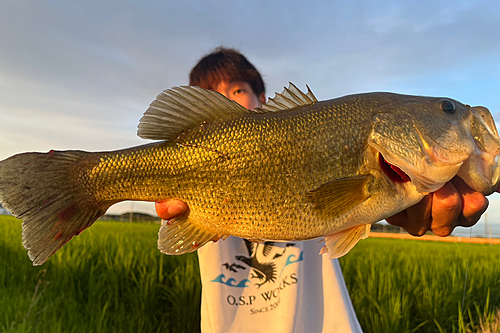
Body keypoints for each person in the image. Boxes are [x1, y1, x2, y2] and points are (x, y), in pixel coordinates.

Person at [156, 47, 491, 333]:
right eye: (212, 98)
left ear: (263, 98)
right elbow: (175, 220)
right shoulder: (185, 175)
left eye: (238, 90)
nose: (227, 100)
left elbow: (351, 211)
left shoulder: (371, 158)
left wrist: (416, 197)